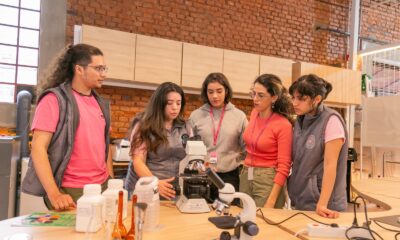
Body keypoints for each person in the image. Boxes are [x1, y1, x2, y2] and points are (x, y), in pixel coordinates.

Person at [22, 44, 113, 211]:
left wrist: (111, 179)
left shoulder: (101, 104)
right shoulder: (53, 100)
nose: (104, 74)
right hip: (70, 191)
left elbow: (105, 145)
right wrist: (54, 193)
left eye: (104, 68)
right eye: (98, 68)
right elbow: (38, 148)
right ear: (79, 69)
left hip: (102, 186)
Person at [288, 74, 348, 218]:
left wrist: (322, 204)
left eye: (301, 99)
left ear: (317, 99)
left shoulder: (331, 121)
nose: (295, 103)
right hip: (303, 201)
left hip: (325, 207)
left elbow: (330, 166)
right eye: (293, 97)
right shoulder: (301, 120)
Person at [125, 82, 191, 200]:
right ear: (159, 104)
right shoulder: (143, 125)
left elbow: (192, 157)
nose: (175, 107)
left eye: (178, 103)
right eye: (169, 103)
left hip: (174, 190)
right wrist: (154, 183)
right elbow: (138, 161)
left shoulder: (186, 126)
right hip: (147, 189)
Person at [189, 72, 248, 202]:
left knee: (228, 214)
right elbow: (188, 147)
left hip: (229, 177)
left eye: (219, 91)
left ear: (226, 91)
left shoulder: (239, 116)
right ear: (206, 93)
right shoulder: (195, 116)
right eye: (210, 92)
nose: (215, 96)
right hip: (202, 175)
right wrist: (199, 164)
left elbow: (246, 147)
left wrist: (233, 160)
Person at [240, 74, 294, 208]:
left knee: (263, 223)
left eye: (261, 95)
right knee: (245, 221)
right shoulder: (254, 113)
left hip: (267, 180)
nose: (255, 99)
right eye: (253, 94)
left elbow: (284, 166)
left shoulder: (283, 125)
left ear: (274, 97)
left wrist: (271, 201)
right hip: (246, 174)